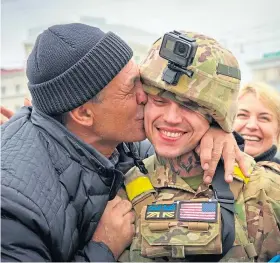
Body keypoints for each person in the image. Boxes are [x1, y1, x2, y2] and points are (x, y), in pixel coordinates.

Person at [1, 23, 247, 262]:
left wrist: (216, 131)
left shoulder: (115, 141)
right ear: (84, 114)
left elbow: (175, 146)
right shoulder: (13, 206)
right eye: (131, 89)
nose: (146, 97)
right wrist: (103, 249)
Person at [121, 31, 280, 262]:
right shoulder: (120, 194)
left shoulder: (266, 188)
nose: (171, 118)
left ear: (215, 114)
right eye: (159, 101)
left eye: (190, 106)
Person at [234, 81, 280, 164]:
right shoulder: (205, 166)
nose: (252, 125)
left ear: (278, 130)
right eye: (242, 115)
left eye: (264, 118)